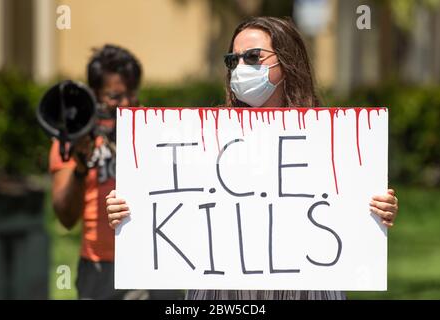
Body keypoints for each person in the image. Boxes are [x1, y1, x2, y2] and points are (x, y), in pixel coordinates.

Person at [106, 17, 399, 300]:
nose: (241, 67)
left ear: (286, 62)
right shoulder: (206, 136)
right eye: (234, 60)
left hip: (305, 288)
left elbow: (347, 210)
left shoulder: (331, 138)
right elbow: (173, 201)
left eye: (253, 57)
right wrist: (130, 210)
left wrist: (377, 210)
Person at [50, 44, 148, 299]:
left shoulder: (150, 132)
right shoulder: (72, 139)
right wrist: (80, 168)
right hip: (100, 267)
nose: (125, 103)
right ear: (92, 96)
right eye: (114, 96)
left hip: (149, 261)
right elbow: (66, 217)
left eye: (130, 94)